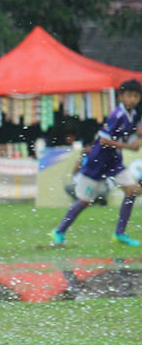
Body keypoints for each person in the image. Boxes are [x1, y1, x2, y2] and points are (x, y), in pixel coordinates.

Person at [51, 79, 142, 247]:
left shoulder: (133, 114)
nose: (132, 99)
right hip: (98, 162)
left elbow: (122, 135)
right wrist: (129, 146)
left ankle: (120, 234)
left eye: (136, 96)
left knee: (131, 192)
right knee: (85, 201)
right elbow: (103, 141)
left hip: (114, 161)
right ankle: (59, 230)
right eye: (129, 95)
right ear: (120, 96)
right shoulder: (117, 115)